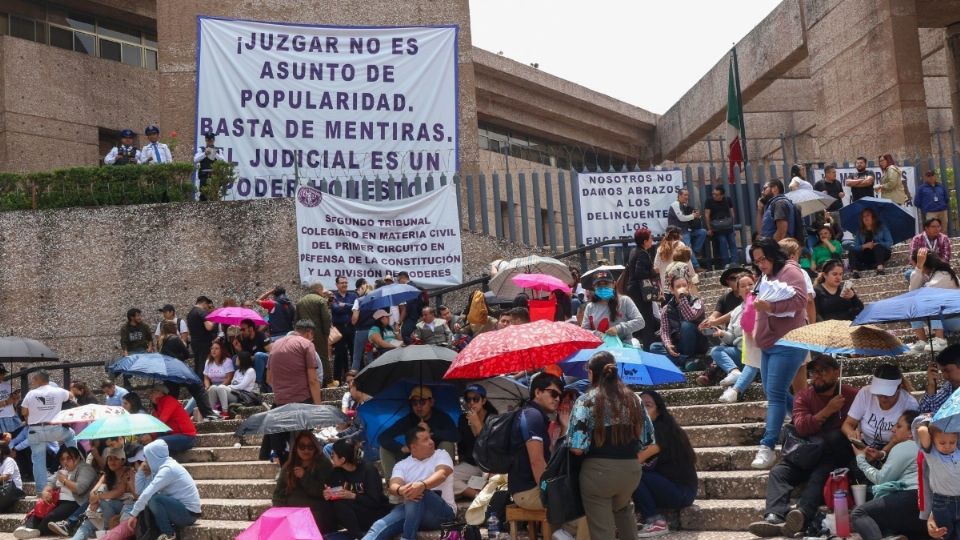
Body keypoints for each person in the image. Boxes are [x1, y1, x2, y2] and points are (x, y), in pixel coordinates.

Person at [747, 354, 859, 537]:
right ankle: (774, 515)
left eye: (823, 371)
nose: (817, 376)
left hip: (832, 456)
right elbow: (801, 426)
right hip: (805, 451)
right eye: (813, 372)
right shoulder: (804, 396)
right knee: (778, 472)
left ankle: (801, 514)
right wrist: (828, 410)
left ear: (836, 373)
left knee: (820, 474)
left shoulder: (851, 395)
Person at [567, 352, 651, 540]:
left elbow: (576, 447)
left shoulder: (585, 400)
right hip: (631, 471)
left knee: (602, 529)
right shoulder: (634, 399)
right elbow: (647, 438)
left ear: (590, 373)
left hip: (598, 473)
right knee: (623, 510)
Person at [749, 237, 809, 469]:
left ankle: (767, 446)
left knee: (774, 393)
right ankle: (804, 421)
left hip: (789, 341)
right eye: (756, 261)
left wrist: (771, 307)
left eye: (763, 258)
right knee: (771, 390)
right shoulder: (766, 275)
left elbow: (801, 300)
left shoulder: (791, 271)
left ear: (774, 253)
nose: (760, 264)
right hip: (767, 342)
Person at [362, 425, 456, 540]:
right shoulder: (402, 464)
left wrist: (422, 485)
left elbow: (442, 474)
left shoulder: (441, 454)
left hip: (442, 514)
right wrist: (401, 490)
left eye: (430, 438)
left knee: (419, 492)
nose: (431, 442)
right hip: (413, 512)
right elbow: (393, 486)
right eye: (425, 440)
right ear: (413, 447)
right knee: (379, 525)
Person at [849, 410, 925, 540]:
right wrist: (880, 456)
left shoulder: (905, 446)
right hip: (929, 506)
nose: (893, 429)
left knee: (859, 513)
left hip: (912, 497)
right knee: (881, 518)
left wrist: (860, 458)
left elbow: (881, 478)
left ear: (911, 433)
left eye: (899, 426)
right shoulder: (930, 447)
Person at [632, 390, 697, 537]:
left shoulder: (661, 431)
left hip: (682, 492)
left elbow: (637, 460)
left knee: (634, 473)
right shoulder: (646, 431)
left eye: (647, 405)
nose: (642, 410)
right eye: (639, 406)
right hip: (667, 486)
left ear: (659, 411)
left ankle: (655, 522)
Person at [264, 320, 323, 463]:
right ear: (309, 332)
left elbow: (269, 379)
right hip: (302, 400)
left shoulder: (275, 345)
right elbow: (313, 380)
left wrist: (284, 389)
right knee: (305, 444)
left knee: (285, 444)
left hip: (281, 403)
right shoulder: (306, 344)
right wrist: (318, 407)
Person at [377, 386, 458, 482]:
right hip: (414, 457)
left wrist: (431, 433)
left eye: (422, 402)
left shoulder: (441, 417)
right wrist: (401, 448)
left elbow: (456, 435)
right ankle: (394, 484)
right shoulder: (409, 419)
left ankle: (444, 479)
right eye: (414, 403)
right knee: (384, 449)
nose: (418, 407)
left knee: (447, 444)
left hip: (435, 458)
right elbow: (383, 437)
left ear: (431, 402)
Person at [509, 373, 563, 514]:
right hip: (528, 491)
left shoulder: (537, 416)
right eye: (553, 393)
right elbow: (537, 461)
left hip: (533, 486)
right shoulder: (532, 416)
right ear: (538, 392)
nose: (557, 399)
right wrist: (548, 492)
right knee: (583, 505)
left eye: (560, 396)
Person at [13, 447, 96, 539]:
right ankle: (26, 528)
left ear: (77, 459)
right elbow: (51, 482)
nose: (65, 462)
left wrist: (64, 481)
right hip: (60, 501)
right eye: (62, 459)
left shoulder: (85, 469)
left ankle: (38, 531)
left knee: (51, 517)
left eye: (69, 458)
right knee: (39, 510)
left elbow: (80, 488)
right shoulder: (63, 470)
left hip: (76, 503)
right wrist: (45, 491)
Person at [841, 364, 918, 462]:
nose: (882, 398)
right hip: (865, 444)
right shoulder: (865, 393)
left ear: (899, 388)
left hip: (895, 449)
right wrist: (852, 434)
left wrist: (882, 453)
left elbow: (905, 438)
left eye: (887, 395)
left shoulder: (909, 403)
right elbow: (847, 424)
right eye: (879, 394)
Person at [127, 440, 202, 539]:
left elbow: (147, 493)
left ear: (154, 456)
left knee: (154, 499)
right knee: (150, 501)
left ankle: (169, 534)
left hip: (189, 514)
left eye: (147, 457)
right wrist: (140, 471)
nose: (145, 460)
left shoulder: (168, 469)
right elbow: (140, 492)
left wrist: (133, 514)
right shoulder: (160, 468)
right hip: (180, 510)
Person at [324, 439, 391, 539]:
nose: (331, 457)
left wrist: (353, 495)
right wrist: (328, 494)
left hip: (374, 512)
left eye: (333, 454)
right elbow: (334, 493)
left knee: (340, 504)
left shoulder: (368, 470)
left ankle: (358, 536)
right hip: (353, 515)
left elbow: (375, 502)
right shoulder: (336, 472)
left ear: (342, 459)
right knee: (333, 504)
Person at [66, 446, 136, 540]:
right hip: (107, 507)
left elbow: (119, 492)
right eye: (110, 459)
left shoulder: (128, 471)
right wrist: (94, 501)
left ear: (123, 461)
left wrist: (98, 498)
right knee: (88, 522)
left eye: (116, 459)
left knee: (103, 501)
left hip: (125, 506)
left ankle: (106, 528)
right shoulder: (107, 475)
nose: (112, 462)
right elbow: (92, 493)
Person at [272, 430, 336, 532]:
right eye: (302, 446)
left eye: (310, 447)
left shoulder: (324, 464)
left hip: (316, 513)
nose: (306, 450)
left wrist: (304, 476)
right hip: (292, 513)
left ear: (315, 448)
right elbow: (278, 494)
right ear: (296, 448)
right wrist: (281, 513)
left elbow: (324, 493)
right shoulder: (289, 466)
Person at [22, 371, 76, 488]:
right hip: (54, 428)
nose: (32, 382)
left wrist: (31, 416)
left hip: (35, 430)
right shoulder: (58, 391)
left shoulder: (31, 394)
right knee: (71, 435)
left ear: (38, 380)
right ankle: (75, 460)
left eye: (34, 380)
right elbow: (71, 396)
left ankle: (41, 491)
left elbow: (24, 412)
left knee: (38, 461)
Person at [915, 413, 960, 540]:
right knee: (944, 535)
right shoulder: (932, 454)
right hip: (942, 503)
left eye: (952, 442)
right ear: (933, 441)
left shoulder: (958, 451)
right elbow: (922, 430)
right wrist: (932, 421)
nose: (947, 446)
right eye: (942, 442)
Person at [706, 272, 754, 388]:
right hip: (741, 352)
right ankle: (734, 371)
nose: (747, 288)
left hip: (758, 351)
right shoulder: (736, 311)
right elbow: (731, 338)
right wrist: (722, 333)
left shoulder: (762, 303)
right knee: (716, 350)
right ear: (738, 291)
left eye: (750, 284)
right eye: (743, 286)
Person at [909, 248, 960, 354]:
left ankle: (940, 341)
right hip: (947, 317)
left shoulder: (943, 275)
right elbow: (912, 294)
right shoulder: (931, 275)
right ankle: (922, 341)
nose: (914, 269)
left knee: (928, 301)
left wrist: (919, 268)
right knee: (912, 305)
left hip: (956, 318)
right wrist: (919, 270)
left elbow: (923, 294)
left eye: (914, 265)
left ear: (924, 264)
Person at [650, 276, 707, 369]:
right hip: (679, 343)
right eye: (678, 287)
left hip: (697, 343)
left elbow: (690, 317)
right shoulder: (666, 309)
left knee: (686, 325)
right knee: (654, 347)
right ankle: (686, 361)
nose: (682, 289)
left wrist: (682, 298)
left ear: (688, 287)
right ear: (672, 290)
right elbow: (664, 331)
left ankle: (682, 361)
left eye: (684, 285)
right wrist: (668, 344)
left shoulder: (697, 302)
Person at [454, 384, 496, 500]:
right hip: (471, 463)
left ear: (483, 401)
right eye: (468, 399)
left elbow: (490, 446)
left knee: (495, 480)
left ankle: (470, 491)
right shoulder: (463, 419)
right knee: (447, 476)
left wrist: (477, 424)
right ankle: (478, 496)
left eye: (476, 399)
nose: (472, 403)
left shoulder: (493, 418)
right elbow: (461, 445)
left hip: (489, 465)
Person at [580, 270, 644, 343]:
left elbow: (640, 322)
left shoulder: (625, 301)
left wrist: (618, 328)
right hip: (599, 348)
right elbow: (584, 330)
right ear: (594, 287)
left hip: (624, 347)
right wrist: (596, 334)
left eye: (606, 284)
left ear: (614, 284)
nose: (603, 287)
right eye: (599, 285)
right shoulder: (590, 307)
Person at [626, 228, 661, 350]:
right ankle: (649, 347)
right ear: (645, 241)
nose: (652, 240)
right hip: (640, 292)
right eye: (650, 238)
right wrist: (653, 271)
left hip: (633, 290)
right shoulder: (642, 253)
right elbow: (639, 273)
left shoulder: (633, 251)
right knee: (646, 319)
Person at [297, 281, 334, 387]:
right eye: (322, 291)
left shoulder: (300, 302)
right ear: (318, 290)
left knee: (305, 357)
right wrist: (326, 332)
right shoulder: (320, 300)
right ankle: (329, 381)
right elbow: (326, 318)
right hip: (319, 332)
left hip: (303, 333)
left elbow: (296, 320)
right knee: (323, 356)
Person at [142, 384, 196, 455]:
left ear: (160, 393)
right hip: (174, 434)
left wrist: (151, 436)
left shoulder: (169, 401)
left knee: (158, 442)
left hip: (186, 437)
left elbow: (161, 422)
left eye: (152, 392)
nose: (150, 395)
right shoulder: (159, 406)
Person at [208, 350, 256, 415]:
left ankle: (225, 412)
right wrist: (229, 387)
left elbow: (241, 386)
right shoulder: (237, 372)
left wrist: (229, 387)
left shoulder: (250, 371)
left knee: (221, 387)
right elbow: (233, 384)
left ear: (243, 360)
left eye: (238, 358)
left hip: (242, 396)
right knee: (213, 387)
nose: (236, 359)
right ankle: (212, 411)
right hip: (234, 392)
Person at [667, 189, 706, 269]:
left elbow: (690, 217)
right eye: (685, 195)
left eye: (687, 195)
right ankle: (696, 266)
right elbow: (681, 218)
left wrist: (696, 215)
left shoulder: (684, 205)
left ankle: (694, 252)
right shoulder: (675, 204)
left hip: (687, 230)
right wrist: (693, 216)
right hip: (680, 232)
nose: (687, 197)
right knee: (688, 247)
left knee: (702, 232)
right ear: (679, 195)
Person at [331, 277, 359, 385]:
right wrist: (351, 307)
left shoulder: (353, 295)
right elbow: (335, 309)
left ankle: (356, 379)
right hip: (339, 328)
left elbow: (357, 308)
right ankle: (337, 380)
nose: (344, 285)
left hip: (352, 327)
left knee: (354, 353)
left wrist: (345, 305)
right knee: (339, 354)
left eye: (346, 283)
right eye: (342, 283)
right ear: (337, 284)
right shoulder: (333, 296)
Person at [850, 207, 893, 275]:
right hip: (866, 255)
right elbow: (856, 247)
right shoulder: (859, 231)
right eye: (863, 216)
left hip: (881, 253)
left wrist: (877, 244)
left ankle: (880, 268)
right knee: (852, 250)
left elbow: (890, 242)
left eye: (868, 215)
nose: (865, 218)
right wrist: (864, 246)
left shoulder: (882, 227)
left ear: (873, 217)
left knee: (878, 247)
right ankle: (855, 272)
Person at [704, 185, 739, 267]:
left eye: (716, 194)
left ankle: (735, 262)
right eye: (713, 194)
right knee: (723, 243)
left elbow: (732, 212)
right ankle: (726, 263)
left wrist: (732, 225)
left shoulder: (727, 200)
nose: (714, 196)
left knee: (732, 243)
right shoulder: (709, 201)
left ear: (722, 195)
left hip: (728, 225)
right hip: (717, 227)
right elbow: (707, 215)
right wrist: (709, 228)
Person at [920, 344, 960, 414]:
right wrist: (931, 385)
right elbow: (925, 411)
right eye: (942, 371)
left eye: (947, 371)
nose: (944, 376)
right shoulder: (950, 386)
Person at [236, 318, 271, 394]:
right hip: (253, 360)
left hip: (265, 360)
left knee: (258, 355)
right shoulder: (244, 340)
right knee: (235, 358)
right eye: (240, 329)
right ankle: (238, 380)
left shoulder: (261, 336)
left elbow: (271, 352)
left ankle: (257, 384)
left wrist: (254, 357)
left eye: (243, 329)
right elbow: (245, 357)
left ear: (251, 328)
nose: (241, 332)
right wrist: (239, 349)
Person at [186, 295, 217, 377]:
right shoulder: (201, 312)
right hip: (204, 343)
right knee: (203, 364)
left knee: (197, 364)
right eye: (207, 305)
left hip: (194, 342)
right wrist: (215, 319)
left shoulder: (190, 313)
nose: (207, 308)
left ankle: (196, 383)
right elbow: (209, 327)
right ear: (204, 303)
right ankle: (201, 384)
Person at [193, 131, 224, 199]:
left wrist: (215, 154)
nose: (209, 142)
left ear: (214, 140)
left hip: (215, 176)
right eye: (208, 140)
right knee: (203, 196)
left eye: (211, 140)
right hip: (204, 176)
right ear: (205, 140)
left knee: (214, 195)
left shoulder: (219, 150)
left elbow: (223, 161)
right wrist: (205, 154)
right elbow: (195, 160)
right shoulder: (201, 149)